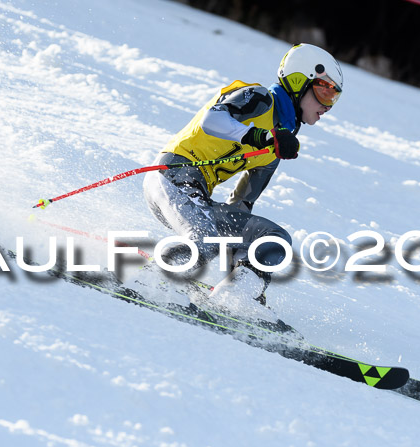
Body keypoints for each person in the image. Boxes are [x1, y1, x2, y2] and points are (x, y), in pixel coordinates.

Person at [134, 43, 343, 314]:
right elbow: (212, 120)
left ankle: (235, 300)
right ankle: (149, 280)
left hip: (198, 200)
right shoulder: (257, 97)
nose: (328, 105)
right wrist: (261, 136)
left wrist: (240, 274)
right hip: (171, 177)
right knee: (205, 237)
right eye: (325, 91)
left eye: (334, 98)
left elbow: (240, 207)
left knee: (273, 238)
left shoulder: (278, 145)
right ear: (298, 81)